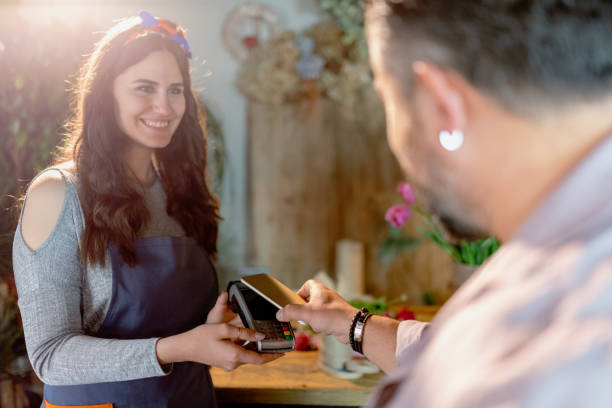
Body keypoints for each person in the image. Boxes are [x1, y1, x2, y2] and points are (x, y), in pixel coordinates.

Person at [276, 1, 612, 407]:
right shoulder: (566, 244)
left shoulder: (540, 364)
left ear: (443, 106)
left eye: (388, 100)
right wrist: (354, 325)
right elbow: (465, 341)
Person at [12, 11, 280, 408]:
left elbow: (182, 330)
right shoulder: (59, 194)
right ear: (106, 95)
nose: (165, 106)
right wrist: (177, 347)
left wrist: (214, 333)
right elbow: (50, 357)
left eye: (176, 90)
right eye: (144, 87)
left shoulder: (182, 193)